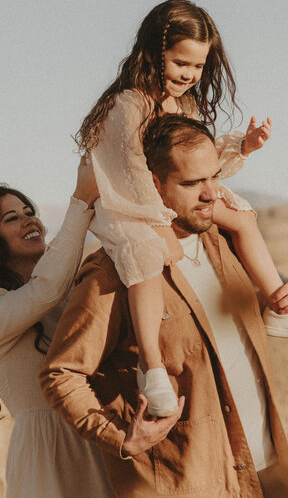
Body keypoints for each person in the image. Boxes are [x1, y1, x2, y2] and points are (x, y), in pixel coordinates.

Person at [41, 114, 288, 498]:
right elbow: (62, 373)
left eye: (213, 176)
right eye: (192, 183)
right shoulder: (113, 274)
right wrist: (121, 437)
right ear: (152, 185)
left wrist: (275, 305)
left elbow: (223, 337)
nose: (211, 194)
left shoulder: (222, 243)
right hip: (191, 483)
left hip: (270, 471)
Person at [74, 0, 284, 418]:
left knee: (241, 216)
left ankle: (277, 302)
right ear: (153, 53)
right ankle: (151, 366)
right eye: (180, 63)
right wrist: (162, 225)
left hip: (170, 196)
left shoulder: (181, 106)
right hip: (129, 204)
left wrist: (244, 146)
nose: (189, 75)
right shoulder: (129, 105)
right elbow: (129, 172)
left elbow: (196, 167)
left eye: (198, 67)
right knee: (147, 256)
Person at [0, 159, 114, 498]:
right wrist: (81, 200)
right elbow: (45, 289)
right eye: (12, 217)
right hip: (47, 455)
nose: (30, 219)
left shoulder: (69, 288)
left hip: (100, 433)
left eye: (30, 211)